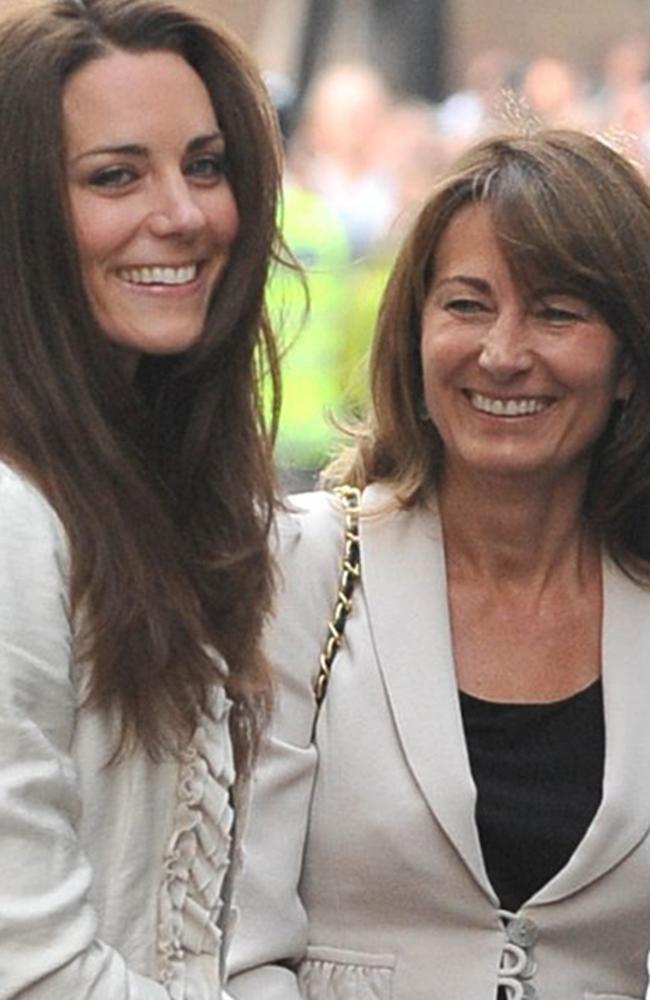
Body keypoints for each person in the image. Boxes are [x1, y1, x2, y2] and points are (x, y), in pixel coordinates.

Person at [226, 129, 650, 1000]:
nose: (502, 352)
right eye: (466, 304)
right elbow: (234, 938)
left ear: (628, 365)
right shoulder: (299, 567)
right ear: (413, 331)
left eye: (558, 311)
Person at [0, 0, 283, 996]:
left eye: (204, 165)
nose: (185, 213)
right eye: (115, 176)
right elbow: (30, 966)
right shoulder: (11, 518)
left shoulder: (152, 484)